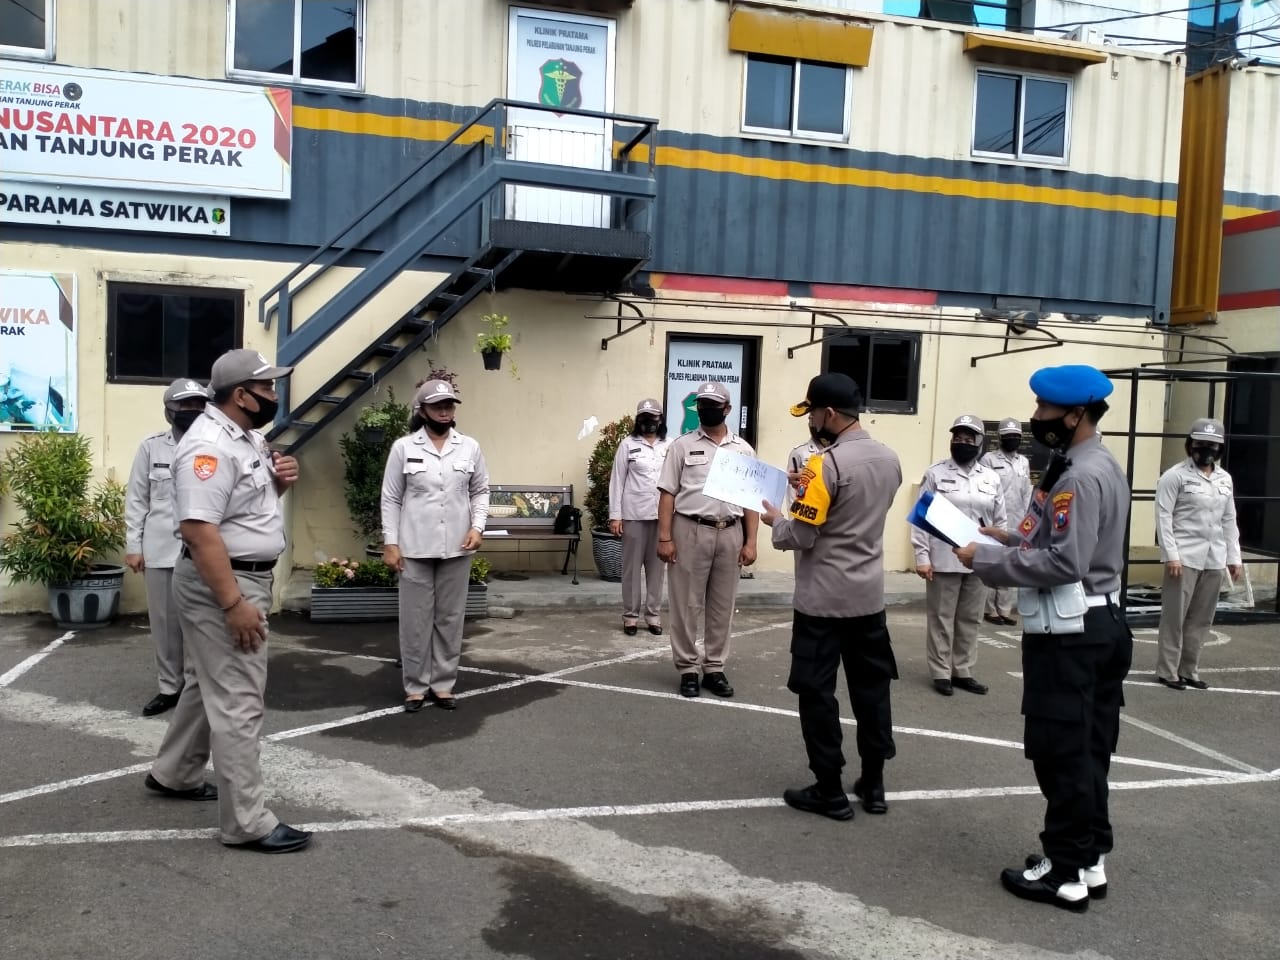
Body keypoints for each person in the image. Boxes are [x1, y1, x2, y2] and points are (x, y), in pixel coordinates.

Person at [956, 363, 1133, 912]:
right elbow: (1056, 538)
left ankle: (1064, 872)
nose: (1036, 418)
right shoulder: (1092, 463)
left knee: (1062, 753)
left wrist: (987, 560)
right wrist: (1007, 537)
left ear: (1075, 415)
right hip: (1097, 625)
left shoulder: (1077, 476)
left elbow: (1066, 561)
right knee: (1089, 749)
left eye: (1045, 409)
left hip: (1072, 632)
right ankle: (1088, 858)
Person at [146, 349, 312, 855]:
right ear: (241, 395)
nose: (275, 395)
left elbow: (241, 511)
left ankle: (174, 772)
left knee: (207, 684)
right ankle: (247, 822)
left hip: (238, 578)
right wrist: (234, 603)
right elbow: (200, 531)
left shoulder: (247, 438)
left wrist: (278, 484)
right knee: (239, 700)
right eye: (267, 388)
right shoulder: (210, 447)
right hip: (225, 583)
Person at [762, 373, 903, 821]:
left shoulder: (823, 465)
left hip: (822, 601)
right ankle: (874, 783)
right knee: (872, 691)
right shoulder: (889, 459)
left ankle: (829, 788)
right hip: (868, 598)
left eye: (812, 415)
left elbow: (802, 536)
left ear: (828, 414)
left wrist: (775, 520)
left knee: (817, 693)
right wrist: (805, 486)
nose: (810, 424)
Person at [382, 379, 489, 713]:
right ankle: (415, 686)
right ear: (422, 410)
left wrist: (477, 526)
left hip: (457, 547)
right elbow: (391, 498)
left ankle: (443, 684)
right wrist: (391, 542)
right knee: (415, 620)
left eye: (449, 405)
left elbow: (480, 491)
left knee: (450, 618)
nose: (445, 411)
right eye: (437, 406)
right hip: (414, 548)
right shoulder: (404, 448)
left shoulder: (469, 447)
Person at [656, 381, 759, 698]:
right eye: (702, 405)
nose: (706, 410)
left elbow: (751, 500)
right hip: (690, 529)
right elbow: (667, 493)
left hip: (730, 532)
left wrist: (751, 542)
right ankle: (688, 668)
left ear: (727, 409)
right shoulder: (682, 446)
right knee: (686, 604)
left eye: (713, 405)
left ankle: (714, 667)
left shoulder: (743, 450)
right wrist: (664, 538)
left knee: (722, 605)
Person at [125, 378, 210, 716]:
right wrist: (134, 545)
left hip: (203, 550)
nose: (193, 410)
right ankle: (169, 687)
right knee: (164, 623)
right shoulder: (151, 447)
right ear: (170, 410)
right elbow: (137, 499)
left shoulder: (212, 444)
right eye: (186, 405)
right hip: (160, 549)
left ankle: (198, 687)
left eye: (199, 404)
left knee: (201, 621)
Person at [911, 414, 1005, 696]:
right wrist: (922, 557)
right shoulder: (935, 473)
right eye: (957, 438)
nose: (961, 443)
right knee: (941, 618)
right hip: (944, 557)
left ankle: (962, 670)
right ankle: (941, 672)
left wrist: (999, 557)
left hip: (980, 559)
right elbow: (921, 517)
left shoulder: (991, 477)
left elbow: (1000, 522)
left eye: (968, 439)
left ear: (979, 442)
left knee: (970, 619)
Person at [1153, 418, 1242, 691]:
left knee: (1202, 619)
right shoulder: (1175, 476)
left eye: (1212, 445)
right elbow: (1163, 517)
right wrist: (1171, 555)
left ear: (1220, 448)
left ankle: (1189, 670)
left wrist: (1234, 557)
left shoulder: (1224, 478)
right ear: (1190, 444)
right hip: (1184, 557)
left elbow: (1229, 519)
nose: (1206, 450)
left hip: (1214, 558)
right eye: (1201, 444)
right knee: (1175, 618)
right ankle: (1168, 671)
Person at [608, 398, 670, 636]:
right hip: (634, 515)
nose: (648, 422)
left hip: (662, 517)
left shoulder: (670, 445)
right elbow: (617, 481)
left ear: (660, 419)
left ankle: (653, 616)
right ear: (637, 420)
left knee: (657, 570)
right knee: (631, 570)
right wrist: (615, 516)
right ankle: (630, 617)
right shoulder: (627, 445)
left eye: (653, 418)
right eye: (643, 418)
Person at [980, 417, 1032, 627]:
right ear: (1000, 438)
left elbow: (1026, 491)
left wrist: (1028, 518)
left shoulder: (1023, 462)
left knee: (1010, 565)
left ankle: (1004, 610)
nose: (1012, 439)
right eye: (1008, 436)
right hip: (995, 521)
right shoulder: (989, 460)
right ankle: (990, 610)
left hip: (1017, 522)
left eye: (1016, 436)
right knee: (993, 564)